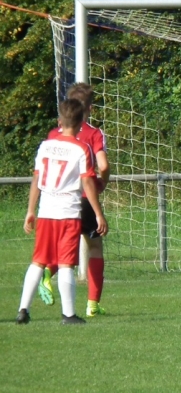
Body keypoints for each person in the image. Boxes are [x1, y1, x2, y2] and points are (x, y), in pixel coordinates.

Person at [17, 98, 108, 325]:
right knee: (66, 263)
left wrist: (30, 210)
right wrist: (98, 213)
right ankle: (68, 315)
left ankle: (23, 310)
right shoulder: (80, 149)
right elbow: (87, 182)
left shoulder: (45, 146)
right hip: (68, 213)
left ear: (60, 121)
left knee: (38, 261)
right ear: (80, 123)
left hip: (46, 212)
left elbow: (37, 178)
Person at [37, 83, 112, 318]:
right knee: (94, 246)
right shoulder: (94, 133)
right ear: (90, 108)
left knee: (64, 247)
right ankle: (92, 304)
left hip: (55, 202)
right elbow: (103, 165)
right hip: (84, 198)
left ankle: (47, 272)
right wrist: (102, 183)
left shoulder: (54, 134)